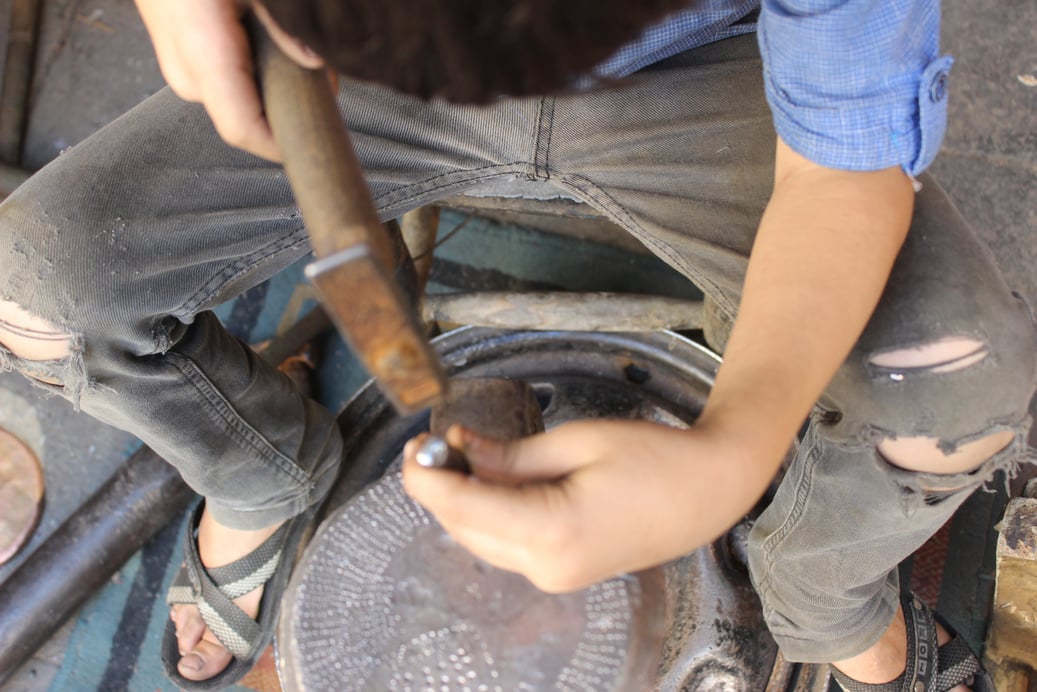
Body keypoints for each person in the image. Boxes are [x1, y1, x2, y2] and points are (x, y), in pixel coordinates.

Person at [0, 0, 1031, 689]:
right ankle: (264, 476)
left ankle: (819, 597)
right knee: (42, 288)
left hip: (711, 71)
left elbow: (837, 179)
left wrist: (736, 446)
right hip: (348, 60)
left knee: (952, 401)